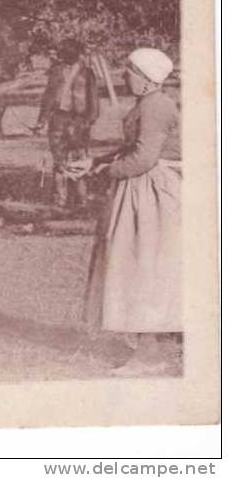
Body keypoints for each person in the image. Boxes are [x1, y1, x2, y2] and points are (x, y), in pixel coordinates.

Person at [67, 47, 181, 375]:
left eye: (130, 71)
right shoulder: (147, 103)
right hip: (139, 188)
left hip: (151, 192)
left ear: (146, 78)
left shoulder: (157, 106)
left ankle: (149, 356)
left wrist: (106, 172)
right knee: (135, 264)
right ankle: (150, 349)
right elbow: (133, 148)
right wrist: (97, 160)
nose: (124, 76)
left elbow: (144, 158)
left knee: (142, 265)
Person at [34, 38, 100, 208]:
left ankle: (81, 199)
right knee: (59, 160)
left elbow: (93, 101)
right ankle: (60, 200)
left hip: (79, 120)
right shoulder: (56, 71)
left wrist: (88, 121)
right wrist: (41, 120)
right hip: (58, 119)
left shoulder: (87, 73)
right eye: (62, 51)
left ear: (77, 53)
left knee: (79, 159)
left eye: (67, 51)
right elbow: (48, 97)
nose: (63, 54)